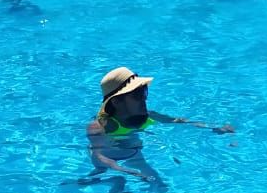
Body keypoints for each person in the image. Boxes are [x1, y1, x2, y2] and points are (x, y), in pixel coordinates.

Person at [86, 66, 233, 181]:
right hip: (111, 159)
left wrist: (213, 127)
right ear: (116, 102)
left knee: (159, 184)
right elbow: (98, 156)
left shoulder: (148, 115)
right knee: (112, 182)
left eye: (144, 92)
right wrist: (123, 170)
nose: (143, 99)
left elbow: (178, 121)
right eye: (136, 95)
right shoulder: (100, 127)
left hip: (134, 151)